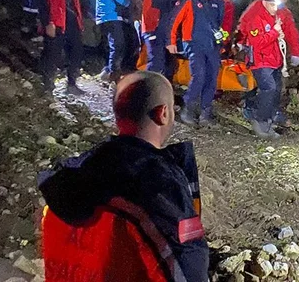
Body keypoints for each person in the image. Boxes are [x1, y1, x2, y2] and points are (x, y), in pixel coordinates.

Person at [38, 71, 208, 281]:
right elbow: (188, 265)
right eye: (173, 108)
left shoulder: (71, 177)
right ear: (163, 113)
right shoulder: (158, 184)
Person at [238, 0, 299, 126]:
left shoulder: (284, 13)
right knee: (260, 83)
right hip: (258, 54)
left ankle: (271, 113)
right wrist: (240, 42)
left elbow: (292, 33)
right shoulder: (257, 8)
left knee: (275, 86)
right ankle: (253, 109)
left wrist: (296, 52)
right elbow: (245, 24)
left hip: (274, 56)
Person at [168, 0, 225, 126]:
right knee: (198, 75)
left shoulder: (217, 2)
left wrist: (222, 42)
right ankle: (188, 109)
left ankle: (206, 112)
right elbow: (174, 20)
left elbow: (219, 24)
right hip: (193, 43)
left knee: (211, 78)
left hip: (212, 45)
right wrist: (171, 41)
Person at [240, 0, 291, 139]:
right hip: (260, 61)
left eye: (277, 5)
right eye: (273, 4)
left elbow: (272, 37)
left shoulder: (274, 18)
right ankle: (259, 120)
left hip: (273, 61)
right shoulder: (256, 19)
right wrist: (275, 33)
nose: (275, 8)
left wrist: (279, 34)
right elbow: (257, 43)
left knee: (275, 90)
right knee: (268, 88)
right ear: (265, 3)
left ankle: (267, 123)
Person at [36, 0, 84, 95]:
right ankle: (48, 84)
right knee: (53, 51)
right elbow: (42, 3)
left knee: (76, 48)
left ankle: (71, 83)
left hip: (70, 19)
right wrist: (47, 22)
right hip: (55, 19)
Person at [142, 0, 183, 79]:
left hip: (165, 31)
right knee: (156, 63)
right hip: (153, 27)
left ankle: (162, 92)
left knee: (170, 65)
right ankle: (145, 91)